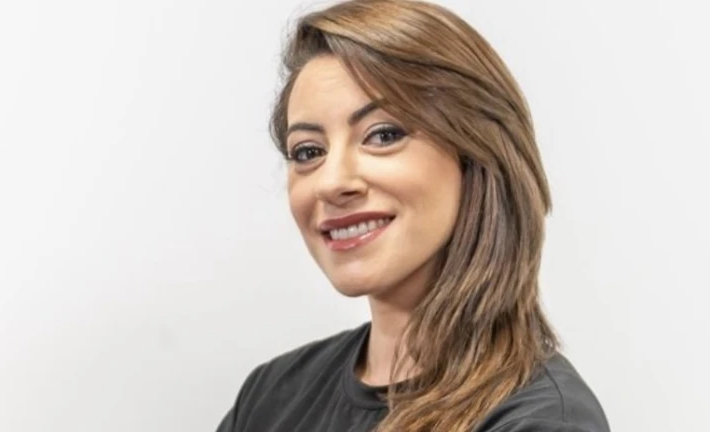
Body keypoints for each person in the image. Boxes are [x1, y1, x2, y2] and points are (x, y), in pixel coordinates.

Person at [217, 0, 609, 430]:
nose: (331, 182)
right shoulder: (271, 395)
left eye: (383, 135)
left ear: (477, 154)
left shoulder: (540, 420)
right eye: (309, 152)